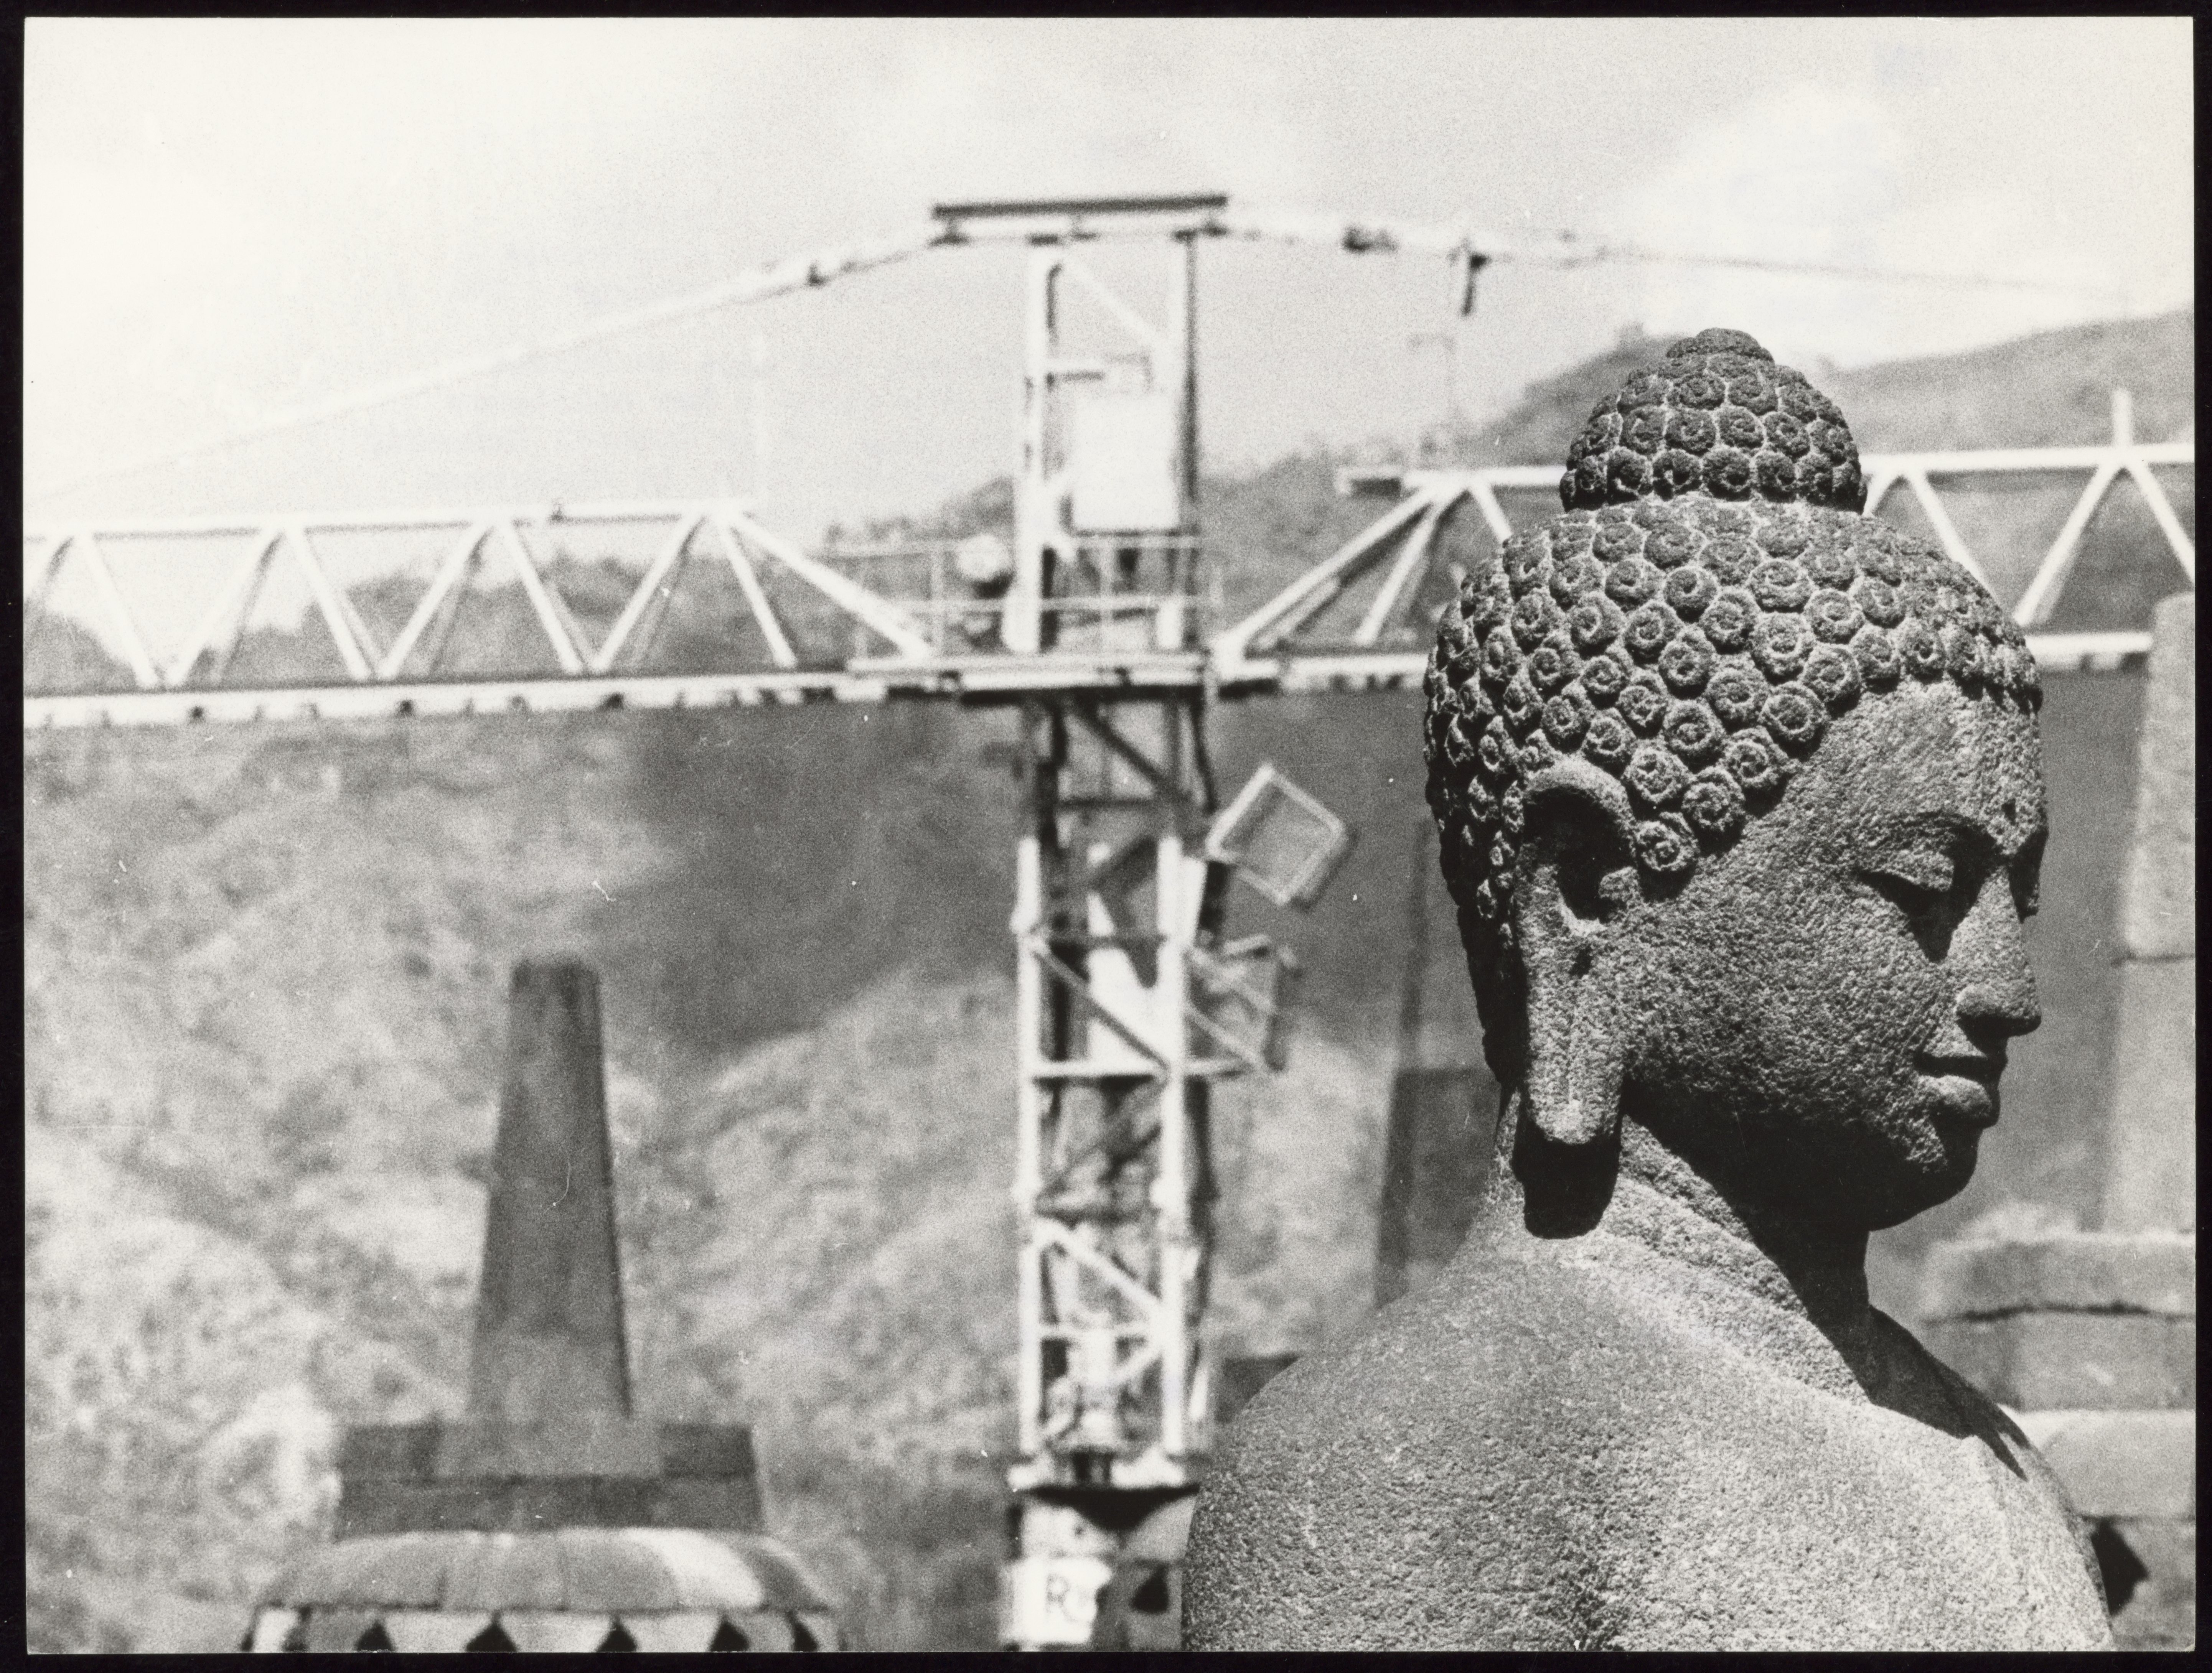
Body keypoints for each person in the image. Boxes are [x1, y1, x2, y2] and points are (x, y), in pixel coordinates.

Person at [1181, 329, 2114, 1652]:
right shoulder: (1426, 1458)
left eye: (2017, 894)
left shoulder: (1998, 1462)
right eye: (1924, 886)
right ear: (1588, 897)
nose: (2009, 988)